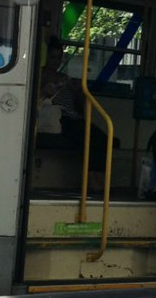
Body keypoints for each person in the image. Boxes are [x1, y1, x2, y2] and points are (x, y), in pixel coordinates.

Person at [38, 37, 111, 188]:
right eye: (52, 57)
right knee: (92, 139)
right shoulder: (38, 77)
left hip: (73, 118)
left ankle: (98, 176)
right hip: (57, 118)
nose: (56, 61)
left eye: (59, 58)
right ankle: (93, 179)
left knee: (102, 138)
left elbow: (78, 106)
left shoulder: (65, 78)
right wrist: (46, 91)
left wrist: (78, 92)